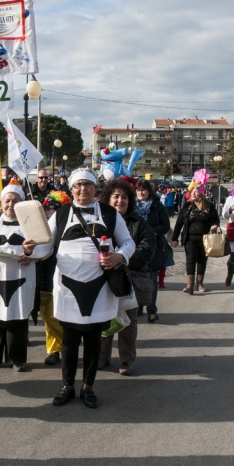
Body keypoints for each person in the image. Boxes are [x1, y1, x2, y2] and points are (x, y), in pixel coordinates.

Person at [48, 169, 135, 409]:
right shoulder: (60, 215)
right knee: (69, 341)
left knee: (94, 340)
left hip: (99, 287)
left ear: (95, 188)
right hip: (67, 287)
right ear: (71, 189)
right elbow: (44, 247)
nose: (82, 189)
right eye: (78, 185)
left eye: (87, 185)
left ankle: (88, 387)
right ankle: (67, 386)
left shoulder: (109, 214)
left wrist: (119, 256)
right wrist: (28, 249)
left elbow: (128, 242)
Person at [0, 180, 52, 371]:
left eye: (15, 201)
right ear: (1, 202)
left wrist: (31, 254)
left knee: (17, 318)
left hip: (20, 277)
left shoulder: (32, 225)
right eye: (7, 200)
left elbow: (46, 248)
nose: (10, 204)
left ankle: (16, 359)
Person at [97, 179, 155, 375]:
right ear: (108, 198)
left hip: (129, 279)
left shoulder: (140, 224)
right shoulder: (98, 221)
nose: (119, 201)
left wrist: (121, 259)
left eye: (124, 197)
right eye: (116, 196)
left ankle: (126, 361)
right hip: (102, 279)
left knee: (128, 323)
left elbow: (147, 250)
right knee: (103, 320)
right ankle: (101, 357)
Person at [38, 190, 72, 365]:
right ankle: (57, 347)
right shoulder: (38, 227)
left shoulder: (69, 227)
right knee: (47, 314)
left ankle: (61, 346)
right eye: (46, 209)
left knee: (60, 315)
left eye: (55, 208)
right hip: (44, 276)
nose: (49, 212)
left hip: (64, 277)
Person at [171, 176, 219, 295]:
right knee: (190, 260)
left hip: (205, 239)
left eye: (196, 192)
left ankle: (200, 283)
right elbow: (179, 223)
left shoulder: (209, 206)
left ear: (202, 194)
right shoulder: (187, 207)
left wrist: (214, 225)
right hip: (189, 239)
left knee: (202, 261)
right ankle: (190, 285)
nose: (194, 194)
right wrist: (174, 238)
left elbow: (215, 220)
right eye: (193, 192)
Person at [135, 179, 170, 321]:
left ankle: (151, 310)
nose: (141, 192)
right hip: (135, 247)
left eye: (143, 189)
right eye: (138, 190)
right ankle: (137, 307)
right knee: (135, 278)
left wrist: (150, 232)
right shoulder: (131, 207)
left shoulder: (157, 207)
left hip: (153, 247)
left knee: (151, 280)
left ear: (149, 191)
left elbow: (165, 225)